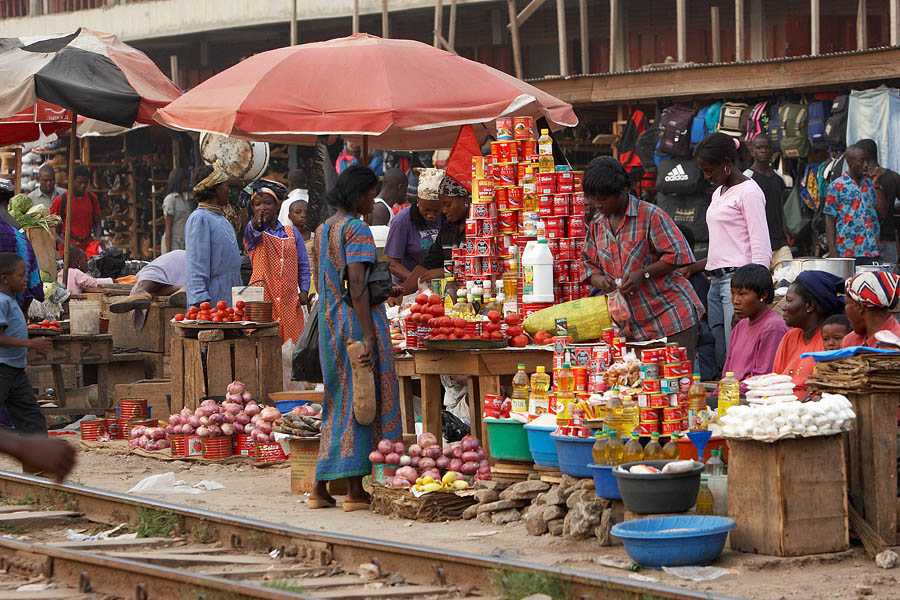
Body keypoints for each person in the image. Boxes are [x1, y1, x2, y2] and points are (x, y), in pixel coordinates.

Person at [309, 165, 402, 510]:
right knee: (363, 400)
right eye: (368, 193)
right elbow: (358, 285)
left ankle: (320, 488)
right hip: (355, 323)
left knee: (337, 402)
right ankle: (354, 490)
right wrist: (367, 335)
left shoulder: (322, 230)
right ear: (357, 194)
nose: (372, 199)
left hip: (329, 324)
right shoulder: (357, 229)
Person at [582, 157, 703, 361]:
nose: (597, 204)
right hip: (631, 326)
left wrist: (644, 274)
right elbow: (588, 265)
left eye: (602, 198)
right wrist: (600, 281)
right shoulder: (597, 225)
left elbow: (679, 255)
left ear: (622, 190)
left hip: (671, 317)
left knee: (676, 383)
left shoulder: (650, 215)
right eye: (593, 198)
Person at [693, 132, 771, 371]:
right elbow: (723, 244)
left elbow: (761, 246)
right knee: (721, 352)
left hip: (738, 282)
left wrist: (752, 292)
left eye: (709, 170)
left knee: (737, 353)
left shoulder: (749, 192)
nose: (707, 177)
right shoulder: (719, 193)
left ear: (727, 163)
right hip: (715, 282)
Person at [243, 180, 311, 345]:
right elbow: (252, 232)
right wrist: (256, 224)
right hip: (261, 297)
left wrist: (304, 290)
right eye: (257, 204)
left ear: (277, 206)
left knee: (291, 344)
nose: (263, 208)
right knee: (260, 343)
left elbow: (303, 265)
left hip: (289, 299)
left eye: (268, 203)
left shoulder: (292, 232)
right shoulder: (253, 232)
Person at [0, 253, 52, 434]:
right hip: (2, 369)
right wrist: (29, 344)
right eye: (20, 276)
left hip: (14, 371)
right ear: (5, 279)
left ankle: (36, 459)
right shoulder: (1, 301)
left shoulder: (10, 299)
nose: (25, 280)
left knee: (33, 421)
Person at [772, 271, 845, 394]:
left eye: (789, 300)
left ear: (810, 306)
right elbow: (774, 383)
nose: (784, 307)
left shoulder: (831, 341)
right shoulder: (789, 337)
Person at [184, 164, 242, 308]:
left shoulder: (221, 218)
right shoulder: (199, 218)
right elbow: (196, 264)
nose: (228, 191)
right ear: (216, 189)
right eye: (226, 186)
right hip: (212, 304)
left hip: (230, 301)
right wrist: (200, 301)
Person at [721, 264, 789, 385]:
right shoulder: (740, 326)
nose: (735, 301)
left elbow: (763, 377)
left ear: (763, 295)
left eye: (742, 294)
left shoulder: (773, 327)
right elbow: (727, 372)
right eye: (733, 293)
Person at [383, 168, 445, 292]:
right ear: (418, 201)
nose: (431, 215)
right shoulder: (402, 221)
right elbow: (393, 264)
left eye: (436, 210)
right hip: (409, 290)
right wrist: (419, 282)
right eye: (426, 210)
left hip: (441, 286)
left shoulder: (447, 218)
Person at [824, 144, 886, 266]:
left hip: (871, 252)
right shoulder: (837, 186)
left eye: (867, 160)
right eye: (861, 161)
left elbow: (883, 213)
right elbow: (830, 220)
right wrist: (832, 251)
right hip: (847, 253)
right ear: (850, 162)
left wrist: (877, 185)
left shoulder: (871, 184)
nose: (866, 165)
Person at [743, 135, 791, 271]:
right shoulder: (746, 178)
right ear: (752, 151)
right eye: (759, 148)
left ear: (772, 150)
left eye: (767, 147)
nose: (763, 151)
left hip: (780, 242)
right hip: (756, 245)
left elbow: (780, 208)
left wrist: (785, 232)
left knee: (786, 280)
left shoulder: (779, 178)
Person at [109, 250, 186, 329]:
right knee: (157, 275)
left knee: (154, 274)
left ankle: (142, 292)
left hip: (178, 260)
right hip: (182, 263)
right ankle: (183, 288)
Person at [856, 139, 900, 268]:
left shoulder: (859, 180)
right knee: (889, 284)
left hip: (865, 244)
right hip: (888, 240)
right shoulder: (893, 177)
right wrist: (892, 210)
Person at [422, 175, 472, 281]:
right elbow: (429, 263)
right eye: (442, 206)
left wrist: (445, 272)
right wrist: (402, 291)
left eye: (448, 205)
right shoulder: (447, 230)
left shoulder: (481, 227)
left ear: (464, 199)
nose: (444, 211)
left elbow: (482, 266)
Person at [0, 188, 43, 310]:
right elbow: (33, 281)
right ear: (8, 202)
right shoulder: (19, 238)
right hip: (14, 309)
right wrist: (22, 312)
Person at [50, 165, 101, 253]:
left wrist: (98, 239)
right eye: (79, 182)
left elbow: (97, 222)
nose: (83, 185)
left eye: (85, 182)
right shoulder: (61, 200)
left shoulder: (92, 198)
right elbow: (50, 229)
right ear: (72, 181)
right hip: (68, 247)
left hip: (88, 246)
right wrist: (64, 244)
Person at [842, 271, 900, 348]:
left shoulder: (895, 344)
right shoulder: (849, 341)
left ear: (860, 307)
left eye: (846, 304)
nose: (845, 310)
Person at [161, 168, 193, 254]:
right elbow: (168, 228)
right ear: (181, 181)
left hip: (184, 243)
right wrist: (168, 253)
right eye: (186, 180)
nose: (188, 183)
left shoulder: (185, 200)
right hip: (173, 245)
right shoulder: (171, 199)